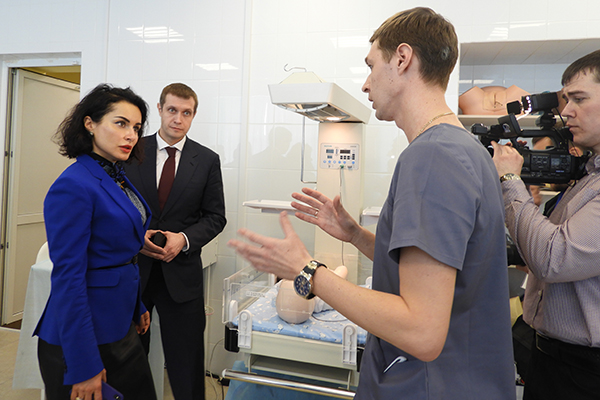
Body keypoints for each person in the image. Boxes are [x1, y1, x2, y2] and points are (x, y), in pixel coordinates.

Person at [228, 7, 516, 400]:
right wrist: (355, 235)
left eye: (370, 66)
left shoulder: (432, 157)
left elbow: (421, 331)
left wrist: (307, 270)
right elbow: (437, 270)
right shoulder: (464, 148)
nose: (365, 84)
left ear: (402, 58)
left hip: (428, 386)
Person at [34, 84, 157, 400]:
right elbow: (69, 278)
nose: (131, 135)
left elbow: (117, 253)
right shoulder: (74, 185)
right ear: (90, 123)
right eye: (121, 123)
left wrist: (136, 304)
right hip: (82, 339)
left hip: (118, 323)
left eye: (136, 127)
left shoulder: (114, 175)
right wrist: (83, 365)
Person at [492, 50, 600, 400]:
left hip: (583, 373)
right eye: (566, 99)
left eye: (579, 99)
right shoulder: (588, 177)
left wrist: (510, 179)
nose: (567, 111)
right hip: (552, 359)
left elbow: (553, 258)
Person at [124, 82, 226, 400]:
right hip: (133, 272)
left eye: (186, 113)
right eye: (172, 110)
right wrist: (134, 235)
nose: (178, 119)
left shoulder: (206, 160)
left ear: (193, 115)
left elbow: (215, 216)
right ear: (159, 109)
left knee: (186, 365)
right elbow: (113, 206)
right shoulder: (130, 151)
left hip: (181, 276)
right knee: (128, 361)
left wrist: (183, 239)